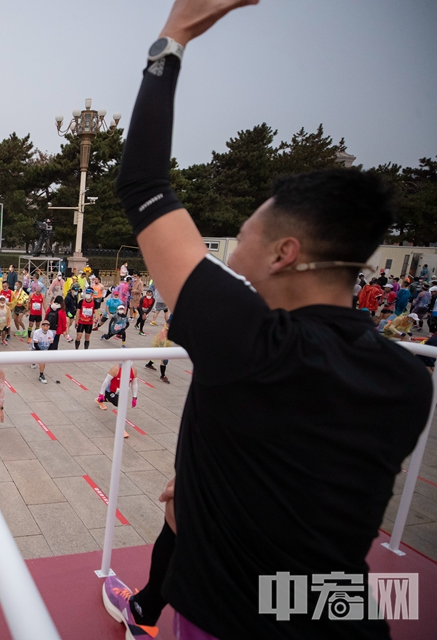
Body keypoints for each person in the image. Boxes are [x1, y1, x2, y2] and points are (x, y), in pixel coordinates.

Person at [102, 2, 432, 637]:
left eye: (246, 231)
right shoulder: (407, 378)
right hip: (342, 613)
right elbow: (301, 480)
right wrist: (205, 488)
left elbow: (143, 183)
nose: (229, 247)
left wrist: (173, 38)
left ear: (286, 254)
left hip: (230, 620)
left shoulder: (250, 344)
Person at [96, 363, 137, 439]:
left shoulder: (133, 370)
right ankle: (105, 398)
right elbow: (106, 382)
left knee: (121, 406)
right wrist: (101, 393)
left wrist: (135, 397)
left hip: (122, 393)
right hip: (111, 391)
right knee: (119, 404)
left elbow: (134, 384)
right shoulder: (115, 369)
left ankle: (103, 399)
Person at [29, 319, 54, 383]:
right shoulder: (37, 332)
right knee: (34, 359)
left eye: (47, 326)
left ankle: (41, 375)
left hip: (45, 349)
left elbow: (51, 343)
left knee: (42, 362)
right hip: (36, 348)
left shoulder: (51, 333)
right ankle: (33, 362)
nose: (46, 327)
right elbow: (35, 343)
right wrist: (40, 352)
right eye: (44, 326)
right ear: (41, 326)